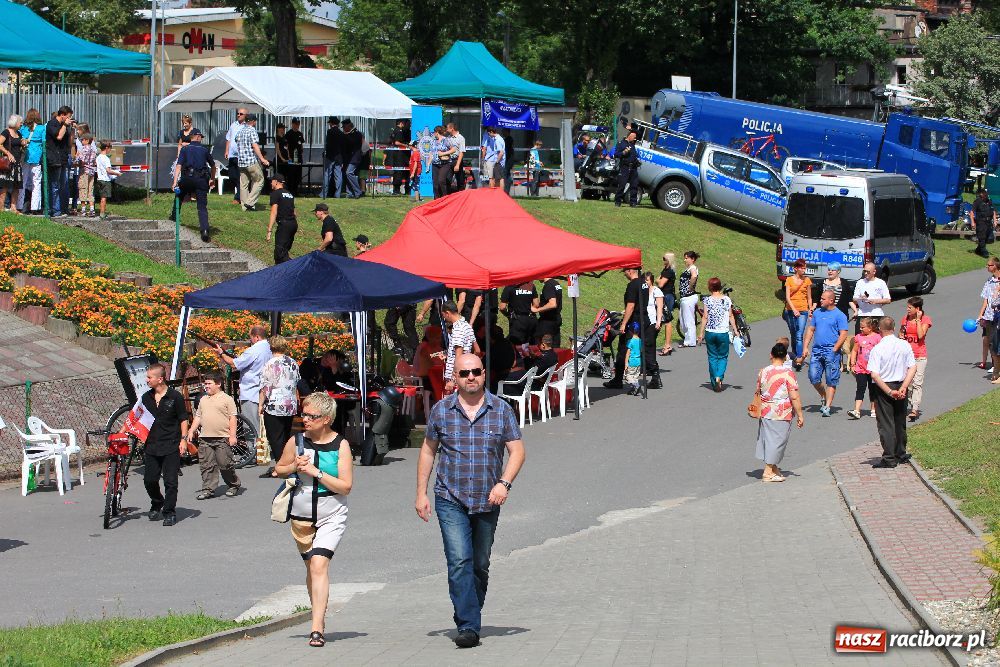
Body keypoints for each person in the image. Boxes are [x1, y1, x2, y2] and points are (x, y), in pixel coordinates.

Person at [415, 352, 525, 649]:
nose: (471, 377)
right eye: (464, 374)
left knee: (480, 563)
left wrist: (504, 483)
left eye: (475, 371)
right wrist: (421, 493)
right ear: (456, 378)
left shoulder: (501, 410)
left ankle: (468, 611)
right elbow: (428, 451)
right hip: (449, 497)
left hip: (488, 499)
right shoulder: (441, 411)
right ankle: (468, 625)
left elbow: (517, 451)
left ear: (484, 373)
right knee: (459, 561)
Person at [274, 392, 352, 648]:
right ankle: (318, 614)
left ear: (326, 419)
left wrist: (316, 472)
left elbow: (345, 487)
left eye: (311, 415)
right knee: (311, 569)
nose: (305, 419)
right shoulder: (296, 441)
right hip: (301, 516)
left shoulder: (341, 445)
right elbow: (279, 469)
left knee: (319, 565)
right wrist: (295, 466)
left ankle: (316, 627)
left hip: (332, 513)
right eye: (303, 414)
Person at [134, 364, 188, 527]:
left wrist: (183, 439)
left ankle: (169, 512)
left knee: (171, 481)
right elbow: (135, 417)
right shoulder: (146, 397)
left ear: (160, 379)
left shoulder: (175, 397)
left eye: (150, 377)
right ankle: (157, 501)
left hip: (171, 444)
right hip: (151, 445)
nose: (147, 380)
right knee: (150, 480)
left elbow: (183, 419)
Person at [868, 316, 918, 468]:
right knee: (899, 420)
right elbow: (912, 367)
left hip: (885, 386)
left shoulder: (878, 349)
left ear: (880, 330)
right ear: (894, 328)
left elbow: (875, 374)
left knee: (886, 423)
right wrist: (904, 386)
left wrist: (889, 391)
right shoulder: (904, 345)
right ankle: (900, 453)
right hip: (901, 383)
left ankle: (889, 457)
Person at [755, 341, 805, 482]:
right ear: (785, 357)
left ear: (771, 355)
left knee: (769, 440)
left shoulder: (763, 371)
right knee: (778, 441)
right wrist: (800, 414)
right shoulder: (788, 373)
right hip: (782, 412)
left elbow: (758, 390)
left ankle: (774, 468)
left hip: (765, 410)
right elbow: (794, 396)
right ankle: (768, 471)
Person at [186, 371, 241, 500]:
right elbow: (198, 417)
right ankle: (208, 489)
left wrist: (232, 436)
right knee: (206, 465)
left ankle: (233, 484)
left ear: (218, 384)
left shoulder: (227, 399)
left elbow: (233, 418)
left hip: (222, 437)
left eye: (209, 383)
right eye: (205, 383)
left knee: (225, 464)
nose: (206, 386)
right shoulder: (203, 399)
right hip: (205, 438)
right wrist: (191, 430)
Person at [605, 267, 660, 389]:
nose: (624, 274)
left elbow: (630, 306)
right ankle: (656, 376)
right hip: (644, 320)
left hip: (634, 321)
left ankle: (618, 379)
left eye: (625, 272)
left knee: (623, 348)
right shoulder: (644, 283)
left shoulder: (632, 285)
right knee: (646, 348)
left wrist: (624, 323)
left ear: (630, 271)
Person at [213, 325, 271, 441]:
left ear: (257, 337)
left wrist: (221, 353)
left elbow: (234, 364)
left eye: (251, 338)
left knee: (251, 426)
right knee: (261, 426)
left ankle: (255, 454)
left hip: (251, 393)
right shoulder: (269, 348)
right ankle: (262, 453)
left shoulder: (254, 350)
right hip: (264, 392)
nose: (251, 341)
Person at [799, 289, 849, 417]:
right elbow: (810, 330)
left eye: (823, 299)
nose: (820, 300)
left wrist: (835, 348)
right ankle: (823, 395)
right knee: (813, 377)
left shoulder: (840, 315)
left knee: (831, 379)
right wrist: (805, 347)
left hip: (831, 351)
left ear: (831, 300)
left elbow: (843, 334)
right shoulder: (817, 313)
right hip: (817, 350)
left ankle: (827, 406)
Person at [259, 335, 301, 472]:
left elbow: (265, 387)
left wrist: (260, 405)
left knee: (275, 437)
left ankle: (280, 466)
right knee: (285, 435)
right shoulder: (293, 362)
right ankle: (287, 462)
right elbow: (296, 383)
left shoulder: (270, 364)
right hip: (290, 403)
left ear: (271, 347)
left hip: (274, 404)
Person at [172, 129, 216, 242]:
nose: (201, 138)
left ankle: (174, 216)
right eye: (201, 136)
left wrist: (175, 182)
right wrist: (212, 179)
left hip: (187, 179)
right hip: (201, 180)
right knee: (202, 207)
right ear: (196, 137)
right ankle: (205, 230)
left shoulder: (185, 149)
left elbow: (178, 166)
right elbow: (213, 166)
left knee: (179, 195)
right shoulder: (204, 150)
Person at [697, 277, 737, 392]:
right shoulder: (726, 300)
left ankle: (714, 380)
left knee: (712, 356)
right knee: (723, 356)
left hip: (710, 331)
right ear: (720, 287)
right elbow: (730, 316)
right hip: (723, 332)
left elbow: (705, 317)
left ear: (710, 287)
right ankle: (719, 376)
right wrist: (735, 329)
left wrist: (701, 333)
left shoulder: (707, 300)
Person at [900, 296, 932, 421]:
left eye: (910, 307)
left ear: (917, 308)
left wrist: (918, 320)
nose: (907, 310)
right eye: (907, 307)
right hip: (907, 357)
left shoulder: (925, 319)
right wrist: (901, 335)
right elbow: (901, 334)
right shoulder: (905, 319)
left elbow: (920, 335)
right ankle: (909, 404)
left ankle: (915, 409)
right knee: (908, 384)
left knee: (917, 383)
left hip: (919, 356)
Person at [440, 300, 477, 395]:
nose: (444, 318)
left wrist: (453, 380)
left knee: (452, 406)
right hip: (466, 372)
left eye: (443, 315)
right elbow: (477, 350)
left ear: (447, 313)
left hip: (457, 377)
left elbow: (459, 356)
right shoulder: (467, 326)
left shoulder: (457, 330)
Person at [847, 317, 881, 420]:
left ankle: (873, 409)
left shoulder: (877, 338)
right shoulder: (859, 337)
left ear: (870, 328)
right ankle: (857, 410)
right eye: (860, 327)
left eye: (863, 327)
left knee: (873, 389)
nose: (861, 329)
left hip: (873, 369)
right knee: (860, 388)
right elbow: (854, 351)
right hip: (861, 367)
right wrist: (852, 364)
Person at [236, 113, 270, 212]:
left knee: (244, 184)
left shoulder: (240, 131)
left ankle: (244, 207)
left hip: (241, 161)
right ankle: (250, 202)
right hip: (250, 161)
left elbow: (236, 140)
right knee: (259, 180)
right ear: (253, 121)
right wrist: (262, 159)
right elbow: (255, 146)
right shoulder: (252, 130)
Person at [783, 259, 813, 369]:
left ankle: (799, 359)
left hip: (803, 310)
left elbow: (809, 297)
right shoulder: (789, 280)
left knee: (799, 334)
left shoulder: (807, 280)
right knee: (794, 333)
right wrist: (794, 309)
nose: (804, 270)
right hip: (791, 310)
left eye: (805, 268)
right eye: (802, 268)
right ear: (796, 268)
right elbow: (787, 297)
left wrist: (810, 309)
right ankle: (795, 354)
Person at [46, 105, 73, 217]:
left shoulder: (64, 126)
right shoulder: (52, 124)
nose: (69, 119)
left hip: (63, 158)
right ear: (62, 115)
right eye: (68, 117)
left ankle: (63, 208)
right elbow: (59, 137)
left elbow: (69, 143)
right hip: (54, 159)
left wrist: (72, 129)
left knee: (63, 185)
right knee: (54, 185)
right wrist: (65, 125)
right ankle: (55, 210)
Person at [974, 257, 1000, 378]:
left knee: (996, 341)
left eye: (989, 265)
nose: (987, 267)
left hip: (997, 316)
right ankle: (995, 365)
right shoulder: (989, 281)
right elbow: (986, 299)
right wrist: (981, 314)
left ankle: (996, 366)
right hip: (988, 316)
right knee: (989, 341)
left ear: (995, 266)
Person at [851, 262, 890, 333]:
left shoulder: (881, 283)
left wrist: (875, 301)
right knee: (859, 338)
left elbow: (888, 300)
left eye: (868, 272)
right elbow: (854, 299)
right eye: (864, 271)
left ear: (874, 272)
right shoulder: (860, 282)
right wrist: (860, 298)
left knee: (876, 339)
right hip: (862, 315)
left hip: (876, 314)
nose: (865, 273)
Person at [267, 173, 297, 264]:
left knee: (279, 254)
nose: (271, 183)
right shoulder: (289, 194)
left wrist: (269, 230)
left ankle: (291, 269)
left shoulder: (275, 194)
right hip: (293, 224)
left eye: (271, 181)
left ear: (276, 182)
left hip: (284, 225)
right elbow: (294, 212)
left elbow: (273, 212)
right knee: (284, 252)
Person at [19, 109, 43, 214]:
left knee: (22, 182)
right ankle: (35, 207)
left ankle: (20, 205)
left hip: (25, 156)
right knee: (36, 182)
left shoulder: (23, 128)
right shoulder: (42, 128)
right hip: (37, 157)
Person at [500, 281, 538, 345]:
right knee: (531, 344)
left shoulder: (509, 287)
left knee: (517, 345)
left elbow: (502, 307)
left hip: (517, 321)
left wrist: (508, 315)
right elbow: (536, 304)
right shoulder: (530, 285)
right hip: (531, 319)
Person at [0, 115, 23, 213]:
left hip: (17, 163)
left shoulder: (19, 133)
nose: (21, 124)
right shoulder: (6, 132)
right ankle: (1, 207)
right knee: (4, 185)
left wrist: (23, 143)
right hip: (8, 164)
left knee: (16, 186)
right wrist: (8, 153)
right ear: (15, 122)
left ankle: (13, 207)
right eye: (20, 122)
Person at [223, 108, 247, 203]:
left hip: (241, 155)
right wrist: (226, 150)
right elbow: (228, 138)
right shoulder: (233, 125)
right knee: (232, 176)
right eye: (238, 113)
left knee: (240, 176)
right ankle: (241, 195)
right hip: (232, 154)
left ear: (245, 115)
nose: (238, 115)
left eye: (241, 114)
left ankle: (238, 198)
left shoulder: (247, 126)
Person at [678, 251, 700, 348]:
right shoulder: (688, 268)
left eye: (686, 258)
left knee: (688, 320)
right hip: (684, 298)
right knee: (683, 320)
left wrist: (690, 287)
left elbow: (694, 276)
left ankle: (690, 342)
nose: (685, 260)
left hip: (689, 297)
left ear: (692, 259)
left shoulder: (693, 268)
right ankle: (688, 339)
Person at [532, 277, 562, 345]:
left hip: (548, 321)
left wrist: (537, 310)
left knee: (539, 342)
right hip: (556, 319)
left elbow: (552, 304)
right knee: (554, 344)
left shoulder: (548, 285)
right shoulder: (556, 283)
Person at [95, 141, 121, 221]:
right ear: (106, 148)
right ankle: (102, 214)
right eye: (110, 148)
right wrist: (117, 173)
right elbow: (108, 171)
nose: (110, 150)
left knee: (102, 197)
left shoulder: (98, 157)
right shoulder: (106, 158)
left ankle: (102, 213)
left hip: (99, 179)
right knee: (104, 198)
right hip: (105, 180)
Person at [614, 130, 640, 208]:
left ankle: (633, 202)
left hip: (633, 168)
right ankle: (617, 202)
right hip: (625, 167)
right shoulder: (621, 144)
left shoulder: (633, 145)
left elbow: (634, 155)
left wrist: (637, 161)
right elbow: (616, 154)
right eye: (634, 137)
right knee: (622, 185)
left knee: (634, 185)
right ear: (630, 136)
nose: (635, 139)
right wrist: (623, 153)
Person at [658, 252, 677, 356]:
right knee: (663, 320)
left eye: (664, 258)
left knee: (667, 320)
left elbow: (660, 283)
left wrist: (658, 280)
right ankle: (667, 345)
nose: (663, 260)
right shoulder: (666, 270)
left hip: (667, 296)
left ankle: (667, 345)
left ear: (668, 260)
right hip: (665, 295)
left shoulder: (668, 271)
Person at [341, 120, 364, 199]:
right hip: (348, 158)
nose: (343, 128)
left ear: (349, 126)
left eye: (344, 127)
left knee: (349, 173)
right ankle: (349, 192)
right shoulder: (349, 134)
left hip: (354, 158)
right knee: (347, 174)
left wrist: (345, 136)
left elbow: (352, 142)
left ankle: (358, 191)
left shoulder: (357, 134)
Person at [971, 188, 997, 258]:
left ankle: (978, 250)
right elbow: (972, 212)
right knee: (982, 237)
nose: (984, 196)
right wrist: (973, 222)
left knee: (989, 238)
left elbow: (994, 211)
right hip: (981, 222)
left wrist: (995, 221)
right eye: (983, 195)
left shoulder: (989, 201)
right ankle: (983, 251)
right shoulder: (977, 201)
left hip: (989, 222)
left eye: (985, 195)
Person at [431, 125, 456, 199]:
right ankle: (436, 200)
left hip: (445, 164)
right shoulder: (434, 141)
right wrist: (428, 164)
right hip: (435, 164)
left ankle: (445, 198)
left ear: (437, 132)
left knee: (441, 181)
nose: (433, 134)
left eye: (434, 132)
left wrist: (443, 154)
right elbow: (431, 153)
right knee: (435, 184)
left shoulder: (446, 140)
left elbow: (453, 150)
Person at [75, 133, 96, 217]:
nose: (81, 141)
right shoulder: (93, 149)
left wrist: (77, 157)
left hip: (84, 171)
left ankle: (83, 210)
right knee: (90, 190)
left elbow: (82, 160)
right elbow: (94, 161)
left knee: (83, 188)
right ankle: (92, 209)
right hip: (91, 171)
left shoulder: (84, 149)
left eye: (82, 140)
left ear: (87, 140)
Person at [321, 117, 343, 199]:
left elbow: (328, 144)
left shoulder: (330, 132)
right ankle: (338, 194)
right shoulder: (341, 133)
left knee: (327, 174)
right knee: (338, 175)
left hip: (330, 156)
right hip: (339, 156)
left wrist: (325, 152)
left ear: (331, 123)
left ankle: (324, 193)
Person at [644, 270, 664, 357]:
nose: (645, 282)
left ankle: (652, 366)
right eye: (644, 280)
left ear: (651, 281)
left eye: (647, 280)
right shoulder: (642, 291)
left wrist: (658, 322)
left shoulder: (657, 291)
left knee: (650, 344)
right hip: (644, 321)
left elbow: (660, 307)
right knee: (644, 344)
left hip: (653, 321)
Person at [388, 119, 411, 195]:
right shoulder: (399, 131)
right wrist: (406, 145)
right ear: (402, 123)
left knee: (405, 172)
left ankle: (405, 189)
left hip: (401, 155)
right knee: (399, 172)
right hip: (400, 155)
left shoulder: (395, 130)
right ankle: (397, 190)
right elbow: (397, 142)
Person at [285, 118, 305, 195]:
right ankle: (291, 190)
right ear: (292, 124)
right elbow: (286, 146)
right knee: (291, 174)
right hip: (291, 157)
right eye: (296, 124)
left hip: (298, 157)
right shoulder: (289, 134)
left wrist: (302, 151)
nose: (297, 125)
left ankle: (296, 190)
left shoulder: (300, 134)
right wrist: (288, 156)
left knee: (298, 174)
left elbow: (301, 144)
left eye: (298, 124)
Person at [623, 323, 643, 395]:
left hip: (632, 361)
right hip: (638, 361)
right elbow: (641, 351)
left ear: (630, 331)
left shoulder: (630, 341)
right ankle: (634, 389)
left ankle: (636, 386)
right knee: (635, 376)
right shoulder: (640, 341)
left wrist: (626, 364)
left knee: (628, 376)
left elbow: (627, 353)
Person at [447, 122, 466, 192]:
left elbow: (462, 152)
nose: (446, 130)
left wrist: (457, 165)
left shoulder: (461, 138)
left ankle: (461, 197)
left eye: (447, 128)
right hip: (449, 161)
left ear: (452, 129)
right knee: (447, 179)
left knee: (460, 180)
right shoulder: (448, 138)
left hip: (457, 160)